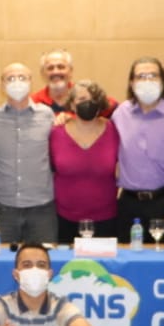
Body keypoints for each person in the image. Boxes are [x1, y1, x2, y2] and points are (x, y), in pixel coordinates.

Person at [111, 57, 164, 243]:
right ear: (131, 83)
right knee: (128, 258)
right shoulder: (120, 114)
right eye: (141, 76)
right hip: (129, 204)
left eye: (153, 76)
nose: (147, 81)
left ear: (163, 80)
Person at [0, 63, 57, 242]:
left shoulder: (47, 115)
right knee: (1, 257)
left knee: (44, 256)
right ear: (2, 85)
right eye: (10, 78)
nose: (16, 82)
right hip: (4, 207)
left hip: (41, 208)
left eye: (22, 77)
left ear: (30, 82)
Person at [48, 80, 121, 242]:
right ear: (72, 105)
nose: (88, 103)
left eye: (94, 99)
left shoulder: (115, 131)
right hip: (64, 219)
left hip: (106, 219)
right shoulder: (56, 133)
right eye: (81, 99)